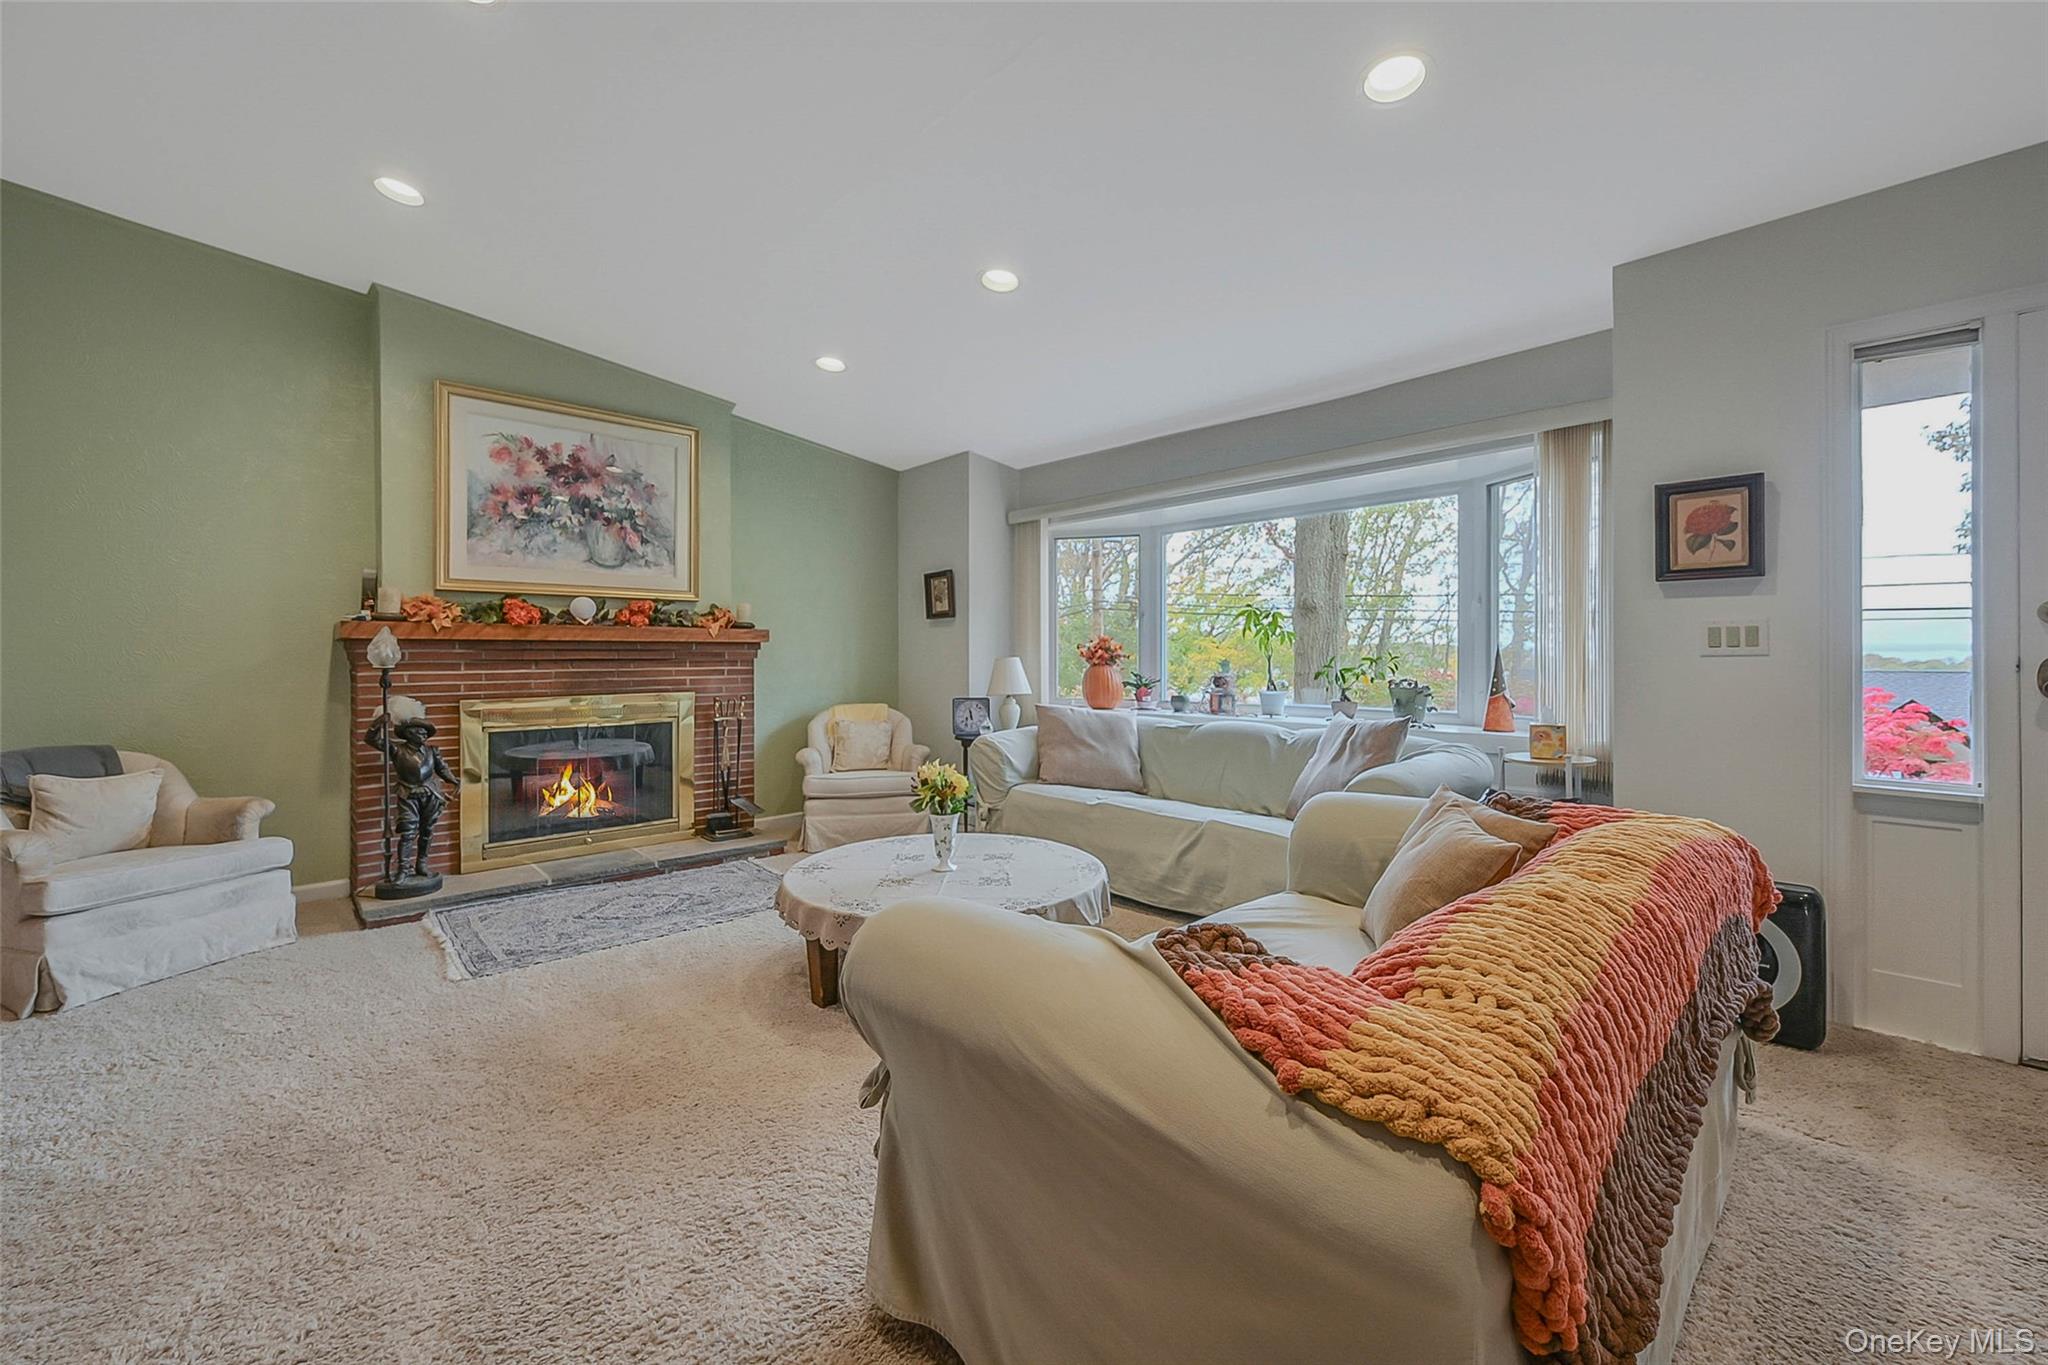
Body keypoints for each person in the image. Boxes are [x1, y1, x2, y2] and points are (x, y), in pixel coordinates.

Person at [364, 711, 456, 879]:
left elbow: (442, 768)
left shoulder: (432, 750)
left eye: (425, 732)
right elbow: (371, 740)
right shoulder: (397, 749)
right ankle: (403, 870)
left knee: (427, 830)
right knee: (408, 832)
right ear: (408, 733)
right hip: (408, 795)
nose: (423, 734)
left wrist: (454, 780)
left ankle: (421, 864)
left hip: (430, 794)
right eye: (419, 731)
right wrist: (378, 723)